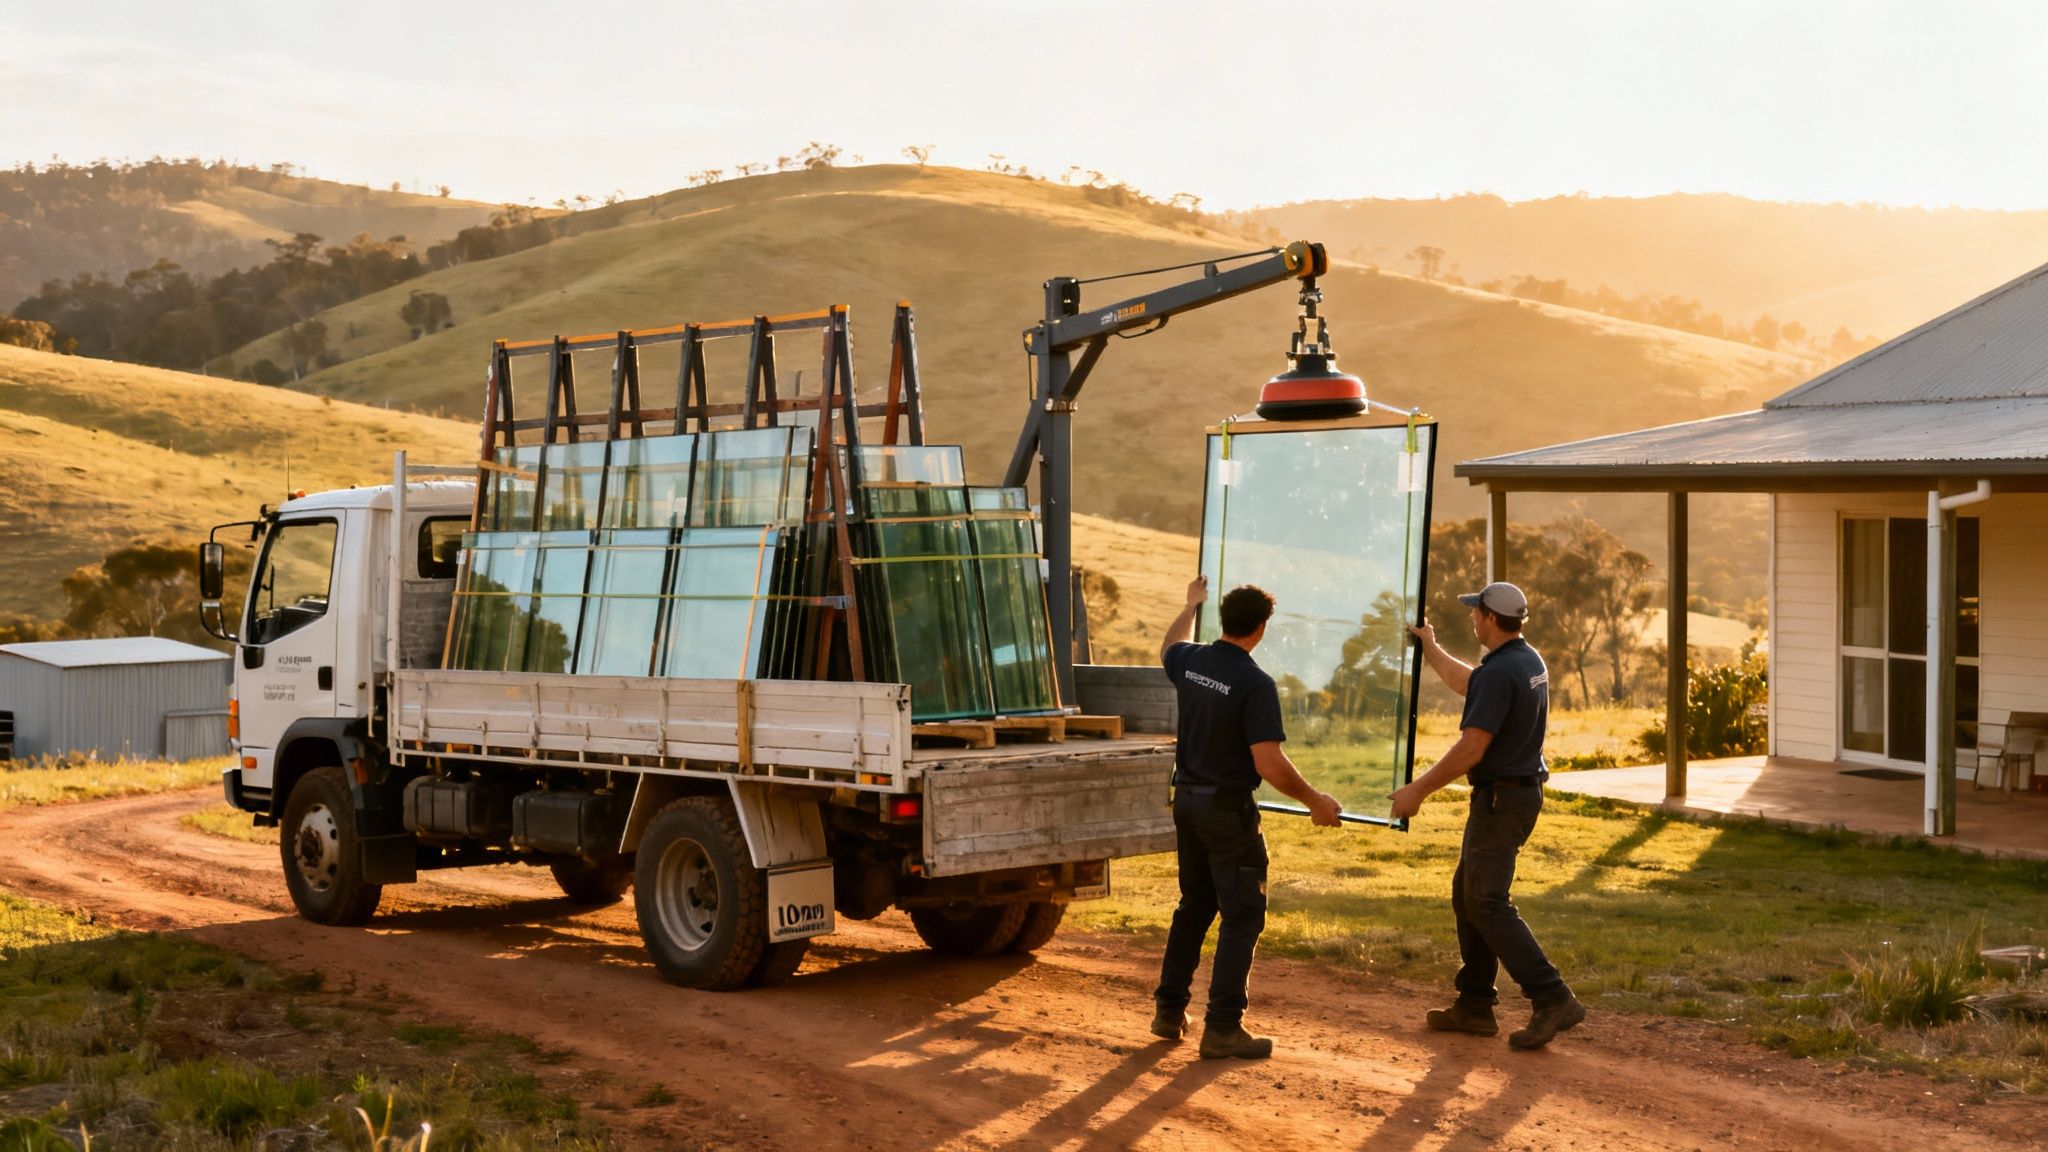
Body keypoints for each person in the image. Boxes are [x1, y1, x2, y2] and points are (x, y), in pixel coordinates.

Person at [1151, 577, 1343, 1060]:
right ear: (1260, 628)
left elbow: (1168, 645)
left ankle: (1169, 1011)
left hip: (1188, 803)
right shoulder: (1255, 683)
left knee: (1194, 906)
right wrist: (1315, 800)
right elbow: (1269, 764)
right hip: (1226, 812)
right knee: (1242, 915)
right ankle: (1222, 1028)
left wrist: (1189, 604)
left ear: (1223, 619)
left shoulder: (1192, 661)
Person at [1391, 581, 1585, 1051]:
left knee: (1487, 901)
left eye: (1476, 611)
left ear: (1491, 619)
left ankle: (1552, 996)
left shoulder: (1501, 672)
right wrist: (1430, 646)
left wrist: (1418, 789)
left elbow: (1473, 746)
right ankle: (1475, 1004)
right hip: (1515, 796)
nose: (1472, 618)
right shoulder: (1524, 660)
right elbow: (1468, 683)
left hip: (1502, 800)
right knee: (1468, 896)